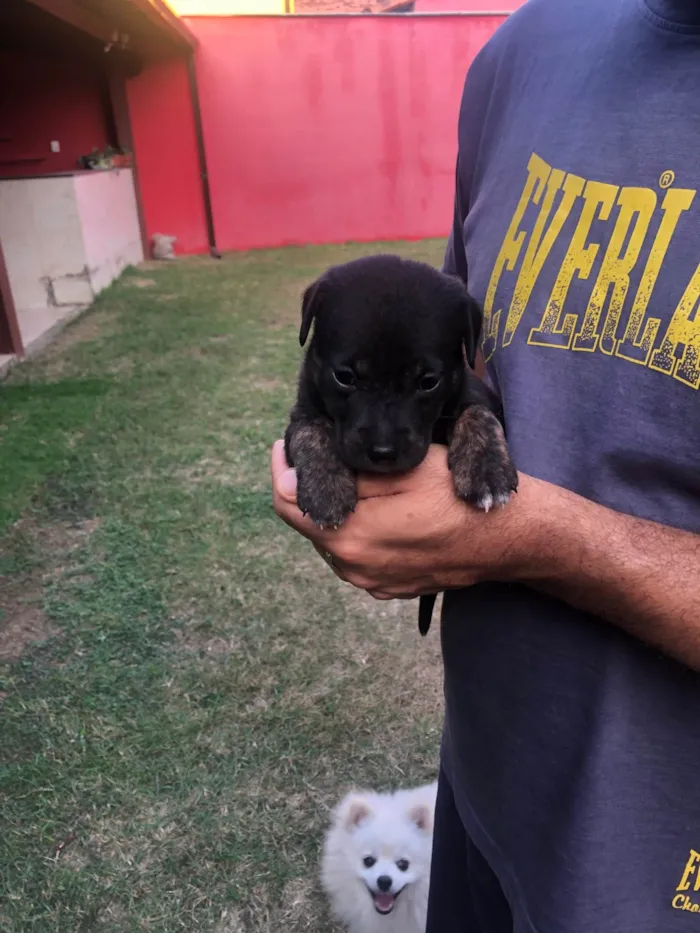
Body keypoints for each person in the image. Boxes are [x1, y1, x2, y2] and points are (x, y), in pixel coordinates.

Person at [272, 0, 700, 929]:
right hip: (482, 789)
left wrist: (534, 537)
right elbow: (471, 374)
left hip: (657, 865)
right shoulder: (520, 53)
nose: (382, 429)